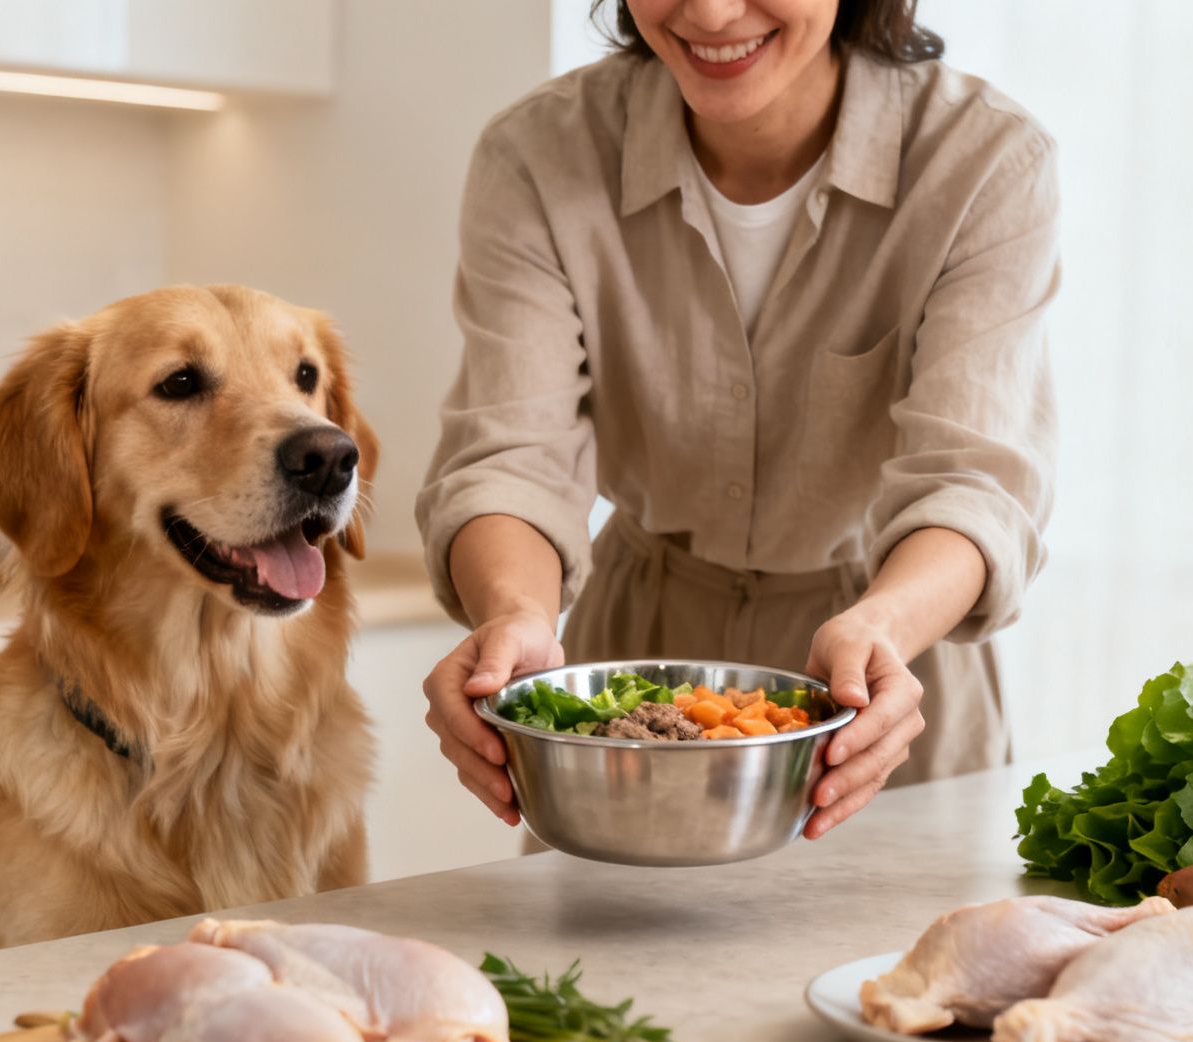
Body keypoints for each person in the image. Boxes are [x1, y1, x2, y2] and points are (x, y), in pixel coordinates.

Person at [417, 0, 1057, 841]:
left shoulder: (982, 159)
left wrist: (880, 627)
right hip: (637, 666)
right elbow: (510, 458)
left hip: (888, 672)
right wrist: (516, 616)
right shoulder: (539, 154)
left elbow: (973, 483)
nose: (712, 13)